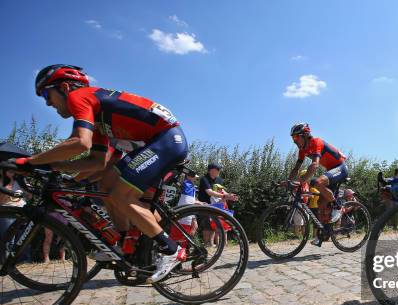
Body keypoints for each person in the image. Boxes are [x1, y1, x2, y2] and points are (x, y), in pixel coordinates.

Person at [9, 64, 189, 283]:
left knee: (121, 195)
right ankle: (125, 245)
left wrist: (31, 161)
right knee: (107, 185)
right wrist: (53, 166)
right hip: (156, 141)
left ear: (65, 87)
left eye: (47, 94)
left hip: (167, 139)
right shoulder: (98, 113)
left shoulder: (79, 97)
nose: (47, 102)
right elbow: (97, 161)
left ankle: (172, 250)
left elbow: (80, 142)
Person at [288, 123, 349, 246]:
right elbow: (296, 168)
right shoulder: (302, 150)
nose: (294, 141)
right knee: (321, 203)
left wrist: (301, 181)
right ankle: (324, 234)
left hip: (340, 167)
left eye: (296, 137)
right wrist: (289, 181)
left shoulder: (316, 141)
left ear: (305, 135)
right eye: (292, 138)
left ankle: (338, 207)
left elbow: (314, 165)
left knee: (316, 182)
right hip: (330, 171)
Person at [197, 163, 237, 245]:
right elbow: (209, 192)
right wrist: (224, 196)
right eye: (217, 169)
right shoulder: (204, 179)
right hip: (205, 205)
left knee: (215, 224)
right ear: (211, 170)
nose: (219, 171)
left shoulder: (219, 180)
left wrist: (229, 196)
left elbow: (222, 191)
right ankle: (207, 244)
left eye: (219, 169)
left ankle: (213, 244)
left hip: (217, 205)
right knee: (207, 226)